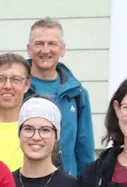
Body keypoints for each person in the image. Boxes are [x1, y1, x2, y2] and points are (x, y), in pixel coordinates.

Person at [23, 18, 94, 177]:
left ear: (62, 49)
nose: (45, 50)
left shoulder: (77, 93)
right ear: (29, 49)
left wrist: (86, 185)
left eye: (52, 44)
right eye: (39, 44)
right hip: (21, 183)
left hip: (67, 185)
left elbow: (84, 147)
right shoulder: (14, 89)